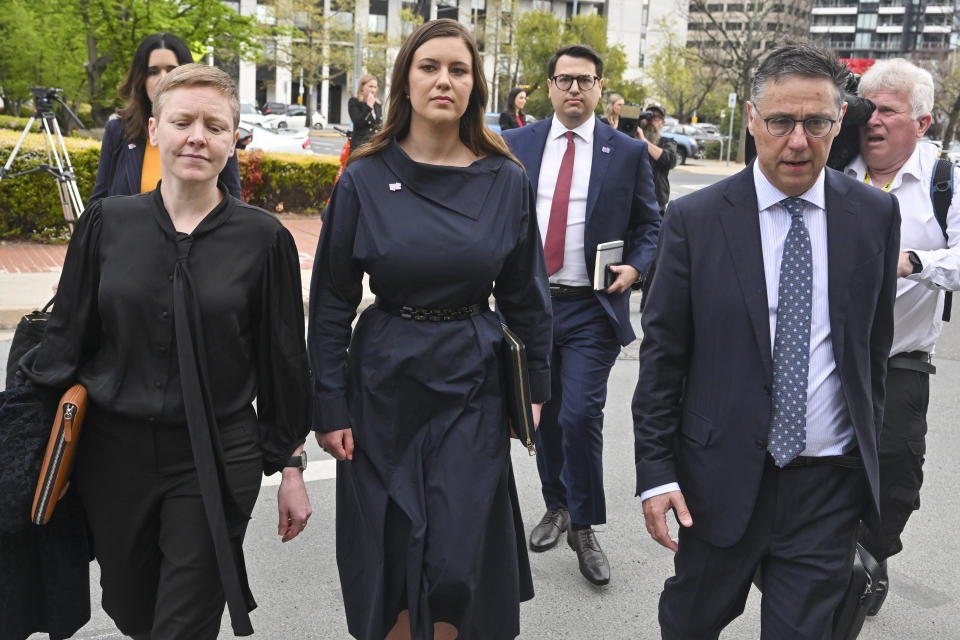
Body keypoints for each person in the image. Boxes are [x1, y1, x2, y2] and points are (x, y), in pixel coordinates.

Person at [21, 64, 312, 639]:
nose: (197, 136)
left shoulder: (264, 239)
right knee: (131, 607)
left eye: (215, 125)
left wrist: (291, 465)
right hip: (112, 455)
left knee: (184, 621)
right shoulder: (107, 223)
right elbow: (67, 337)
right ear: (154, 131)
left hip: (215, 455)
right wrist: (24, 439)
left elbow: (283, 363)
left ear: (234, 140)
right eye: (182, 122)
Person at [633, 43, 901, 638]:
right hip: (717, 477)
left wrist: (863, 466)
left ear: (838, 124)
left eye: (816, 123)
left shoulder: (873, 216)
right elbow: (663, 360)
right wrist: (656, 472)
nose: (798, 141)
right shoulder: (696, 221)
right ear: (753, 119)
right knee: (691, 622)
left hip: (826, 487)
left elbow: (871, 353)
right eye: (780, 121)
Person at [309, 18, 552, 640]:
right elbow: (333, 302)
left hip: (474, 377)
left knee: (456, 556)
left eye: (459, 69)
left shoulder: (507, 179)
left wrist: (536, 389)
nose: (444, 80)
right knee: (389, 551)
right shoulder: (363, 176)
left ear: (475, 86)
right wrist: (329, 403)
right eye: (429, 67)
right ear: (406, 82)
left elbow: (527, 296)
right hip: (382, 378)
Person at [502, 44, 660, 587]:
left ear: (599, 89)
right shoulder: (514, 144)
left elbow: (650, 226)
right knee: (543, 414)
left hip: (592, 306)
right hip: (530, 307)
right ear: (549, 86)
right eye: (565, 79)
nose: (574, 89)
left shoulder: (628, 152)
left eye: (585, 81)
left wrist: (636, 269)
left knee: (580, 416)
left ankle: (585, 526)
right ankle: (557, 504)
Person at [843, 58, 960, 614]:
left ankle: (872, 552)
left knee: (896, 481)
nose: (873, 120)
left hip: (901, 360)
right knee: (823, 466)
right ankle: (832, 562)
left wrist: (915, 261)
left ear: (923, 121)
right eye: (867, 107)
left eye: (888, 110)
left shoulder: (946, 179)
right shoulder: (833, 166)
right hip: (829, 356)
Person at [90, 32, 241, 205]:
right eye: (153, 71)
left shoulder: (213, 135)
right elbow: (99, 200)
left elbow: (233, 201)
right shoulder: (118, 130)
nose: (163, 79)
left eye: (171, 70)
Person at [637, 104, 677, 215]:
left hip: (656, 205)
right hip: (632, 204)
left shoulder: (667, 142)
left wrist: (643, 141)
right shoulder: (632, 138)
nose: (651, 120)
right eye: (649, 116)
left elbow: (669, 160)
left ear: (662, 123)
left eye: (656, 117)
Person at [348, 73, 383, 148]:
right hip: (360, 145)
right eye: (370, 86)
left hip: (375, 146)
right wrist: (369, 106)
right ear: (362, 87)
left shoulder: (377, 103)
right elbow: (358, 123)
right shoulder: (354, 101)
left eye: (375, 87)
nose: (373, 90)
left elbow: (379, 125)